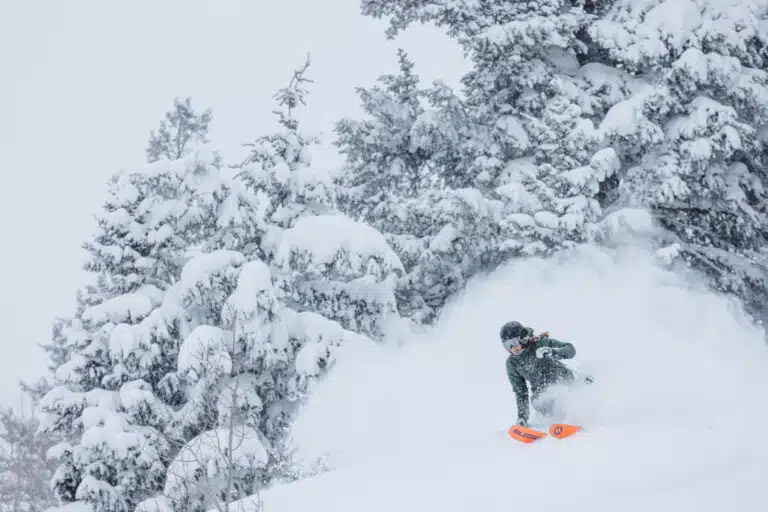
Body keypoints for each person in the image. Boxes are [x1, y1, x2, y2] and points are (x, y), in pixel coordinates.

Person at [500, 320, 580, 427]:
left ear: (523, 338)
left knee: (562, 395)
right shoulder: (512, 364)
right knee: (538, 401)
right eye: (507, 345)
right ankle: (550, 422)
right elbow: (521, 392)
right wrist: (522, 417)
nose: (513, 348)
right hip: (541, 390)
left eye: (515, 342)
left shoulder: (540, 344)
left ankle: (575, 418)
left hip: (562, 380)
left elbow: (570, 349)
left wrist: (553, 352)